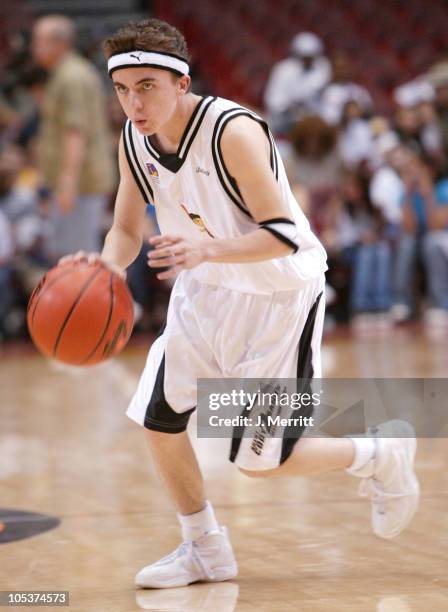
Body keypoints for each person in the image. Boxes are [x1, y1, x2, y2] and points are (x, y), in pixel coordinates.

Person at [64, 19, 419, 589]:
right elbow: (126, 229)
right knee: (159, 418)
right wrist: (101, 271)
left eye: (147, 86)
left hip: (278, 295)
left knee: (258, 461)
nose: (134, 103)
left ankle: (376, 452)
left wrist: (206, 248)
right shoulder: (135, 138)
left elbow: (283, 232)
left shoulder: (233, 131)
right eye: (123, 89)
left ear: (181, 83)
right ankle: (203, 548)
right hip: (206, 290)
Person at [32, 15, 115, 261]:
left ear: (59, 44)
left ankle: (103, 301)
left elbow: (75, 132)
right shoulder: (64, 73)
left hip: (80, 183)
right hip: (73, 181)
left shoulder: (72, 77)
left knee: (79, 258)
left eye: (39, 41)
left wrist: (68, 183)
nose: (34, 47)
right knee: (70, 254)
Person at [264, 32, 331, 134]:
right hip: (286, 121)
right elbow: (272, 99)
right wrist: (290, 106)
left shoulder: (323, 69)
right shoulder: (283, 70)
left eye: (311, 57)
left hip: (313, 122)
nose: (307, 60)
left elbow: (326, 98)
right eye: (304, 57)